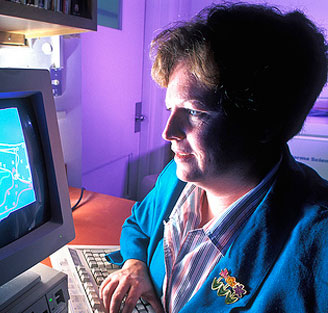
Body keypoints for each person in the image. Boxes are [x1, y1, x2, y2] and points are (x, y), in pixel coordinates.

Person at [99, 3, 328, 313]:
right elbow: (138, 224)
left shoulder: (318, 244)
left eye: (195, 112)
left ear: (264, 123)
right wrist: (135, 264)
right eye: (171, 109)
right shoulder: (177, 177)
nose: (168, 132)